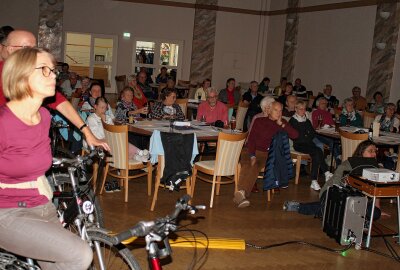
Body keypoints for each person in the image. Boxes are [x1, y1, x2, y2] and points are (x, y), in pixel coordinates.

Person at [0, 47, 92, 269]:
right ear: (21, 75)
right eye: (44, 70)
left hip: (42, 205)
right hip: (7, 212)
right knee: (80, 254)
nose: (53, 76)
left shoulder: (43, 117)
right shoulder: (3, 123)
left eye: (53, 70)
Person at [0, 29, 109, 151]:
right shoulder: (5, 120)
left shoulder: (44, 116)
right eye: (26, 47)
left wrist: (87, 132)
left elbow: (60, 102)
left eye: (34, 48)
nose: (34, 53)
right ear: (8, 48)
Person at [284, 141, 383, 220]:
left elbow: (376, 189)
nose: (374, 154)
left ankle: (339, 213)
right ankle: (300, 207)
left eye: (375, 151)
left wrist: (377, 207)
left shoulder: (375, 167)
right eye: (370, 151)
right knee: (336, 207)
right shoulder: (348, 164)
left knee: (376, 213)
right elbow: (336, 183)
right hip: (332, 192)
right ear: (361, 152)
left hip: (357, 201)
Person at [233, 101, 299, 207]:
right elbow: (252, 139)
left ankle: (240, 193)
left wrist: (281, 124)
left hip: (267, 154)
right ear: (269, 110)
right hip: (251, 150)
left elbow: (295, 135)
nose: (278, 113)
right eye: (276, 110)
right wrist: (252, 155)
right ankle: (241, 194)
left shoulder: (282, 123)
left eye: (280, 110)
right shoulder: (259, 121)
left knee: (255, 165)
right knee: (247, 164)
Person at [86, 97, 148, 163]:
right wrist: (103, 122)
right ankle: (139, 152)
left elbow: (113, 131)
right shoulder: (91, 119)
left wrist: (107, 123)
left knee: (120, 140)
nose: (104, 110)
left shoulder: (108, 117)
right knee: (118, 143)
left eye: (105, 108)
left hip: (108, 140)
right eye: (102, 107)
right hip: (97, 143)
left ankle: (138, 156)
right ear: (95, 106)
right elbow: (98, 136)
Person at [289, 101, 333, 191]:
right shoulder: (293, 120)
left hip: (308, 144)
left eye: (304, 109)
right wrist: (306, 135)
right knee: (317, 151)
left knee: (317, 152)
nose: (302, 110)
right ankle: (325, 172)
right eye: (300, 109)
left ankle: (314, 180)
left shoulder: (307, 120)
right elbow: (297, 136)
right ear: (296, 109)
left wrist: (305, 135)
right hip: (299, 145)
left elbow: (312, 134)